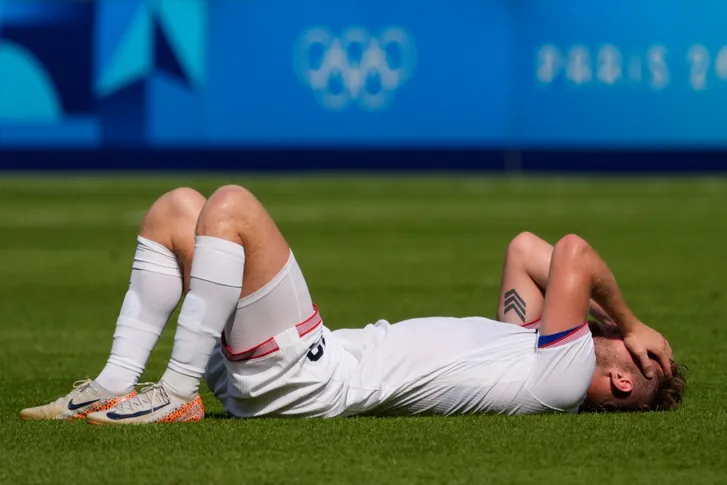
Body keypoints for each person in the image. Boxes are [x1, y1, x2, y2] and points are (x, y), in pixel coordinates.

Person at [20, 185, 685, 424]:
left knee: (231, 209)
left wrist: (630, 321)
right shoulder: (534, 355)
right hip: (300, 366)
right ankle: (109, 386)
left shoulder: (564, 376)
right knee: (177, 211)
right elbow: (524, 248)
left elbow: (571, 251)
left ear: (623, 377)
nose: (626, 335)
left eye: (638, 353)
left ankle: (177, 390)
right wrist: (616, 329)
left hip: (311, 375)